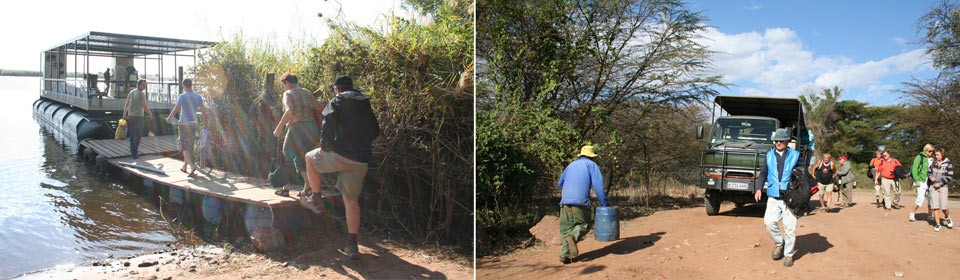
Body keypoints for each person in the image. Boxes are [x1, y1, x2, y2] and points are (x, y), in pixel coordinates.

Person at [301, 76, 380, 260]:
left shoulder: (337, 100)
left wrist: (325, 147)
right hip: (360, 160)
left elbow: (327, 126)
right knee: (351, 200)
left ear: (337, 89)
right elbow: (375, 131)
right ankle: (352, 245)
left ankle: (316, 198)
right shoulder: (364, 102)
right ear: (351, 87)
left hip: (338, 155)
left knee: (309, 158)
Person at [754, 128, 801, 267]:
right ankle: (780, 243)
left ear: (787, 141)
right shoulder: (769, 155)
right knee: (769, 223)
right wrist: (758, 189)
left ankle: (788, 255)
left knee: (790, 228)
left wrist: (797, 173)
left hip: (790, 197)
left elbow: (803, 173)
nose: (778, 143)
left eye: (781, 140)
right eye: (776, 141)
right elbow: (763, 173)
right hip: (774, 196)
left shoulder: (796, 155)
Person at [271, 72, 321, 197]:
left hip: (297, 128)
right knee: (303, 157)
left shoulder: (288, 93)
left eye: (283, 84)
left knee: (286, 155)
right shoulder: (307, 92)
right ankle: (309, 187)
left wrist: (279, 128)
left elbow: (290, 111)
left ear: (286, 82)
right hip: (311, 128)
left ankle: (285, 188)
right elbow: (320, 108)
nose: (284, 87)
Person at [556, 144, 607, 264]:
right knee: (584, 225)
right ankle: (573, 238)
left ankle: (565, 255)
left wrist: (568, 192)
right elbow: (598, 187)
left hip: (564, 201)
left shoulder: (571, 165)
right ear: (592, 157)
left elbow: (560, 183)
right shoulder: (592, 165)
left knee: (566, 229)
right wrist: (604, 203)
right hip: (580, 201)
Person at [166, 79, 206, 177]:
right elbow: (203, 111)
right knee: (190, 146)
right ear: (191, 85)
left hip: (184, 123)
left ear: (183, 85)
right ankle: (184, 166)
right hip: (194, 124)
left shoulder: (182, 96)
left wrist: (169, 118)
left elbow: (176, 109)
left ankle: (192, 167)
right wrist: (205, 123)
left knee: (184, 147)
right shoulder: (198, 96)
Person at [123, 79, 152, 159]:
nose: (145, 87)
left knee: (132, 134)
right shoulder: (141, 94)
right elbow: (144, 105)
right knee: (137, 135)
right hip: (138, 117)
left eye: (145, 85)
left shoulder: (131, 93)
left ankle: (132, 151)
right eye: (143, 85)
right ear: (138, 85)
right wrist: (150, 113)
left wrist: (124, 114)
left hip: (130, 116)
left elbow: (126, 105)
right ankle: (135, 153)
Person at [909, 144, 936, 222]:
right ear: (926, 150)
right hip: (921, 180)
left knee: (930, 199)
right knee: (920, 198)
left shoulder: (932, 160)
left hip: (930, 182)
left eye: (932, 151)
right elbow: (914, 169)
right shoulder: (919, 157)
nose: (931, 152)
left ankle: (930, 215)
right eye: (929, 151)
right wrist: (917, 180)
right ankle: (912, 213)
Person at [929, 148, 954, 231]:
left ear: (942, 155)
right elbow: (928, 172)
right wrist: (931, 177)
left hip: (943, 187)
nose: (936, 156)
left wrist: (939, 184)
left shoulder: (948, 164)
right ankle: (938, 223)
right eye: (935, 155)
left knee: (943, 207)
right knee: (935, 206)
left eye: (938, 155)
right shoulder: (933, 163)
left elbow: (950, 176)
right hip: (933, 187)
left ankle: (947, 217)